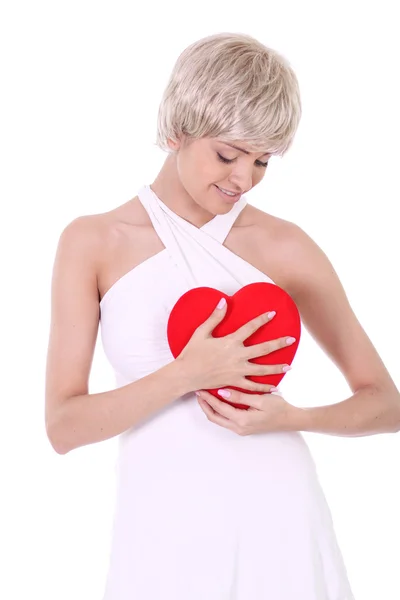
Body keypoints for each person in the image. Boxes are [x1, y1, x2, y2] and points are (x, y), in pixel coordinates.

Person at [45, 32, 399, 599]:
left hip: (280, 520)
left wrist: (293, 418)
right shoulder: (93, 242)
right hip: (160, 530)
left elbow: (386, 403)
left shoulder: (286, 247)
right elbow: (63, 428)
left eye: (262, 161)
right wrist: (189, 372)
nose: (243, 180)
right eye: (228, 154)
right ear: (177, 129)